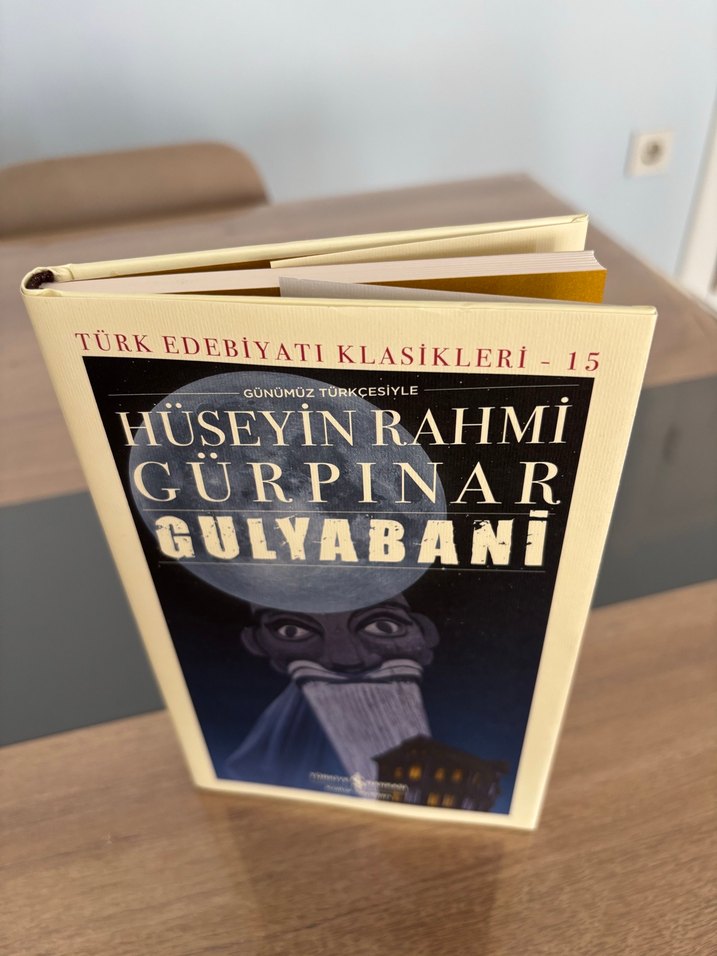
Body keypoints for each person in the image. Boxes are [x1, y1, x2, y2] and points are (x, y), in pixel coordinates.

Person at [224, 594, 439, 789]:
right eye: (292, 632)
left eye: (383, 627)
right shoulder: (272, 747)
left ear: (425, 633)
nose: (348, 661)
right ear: (256, 642)